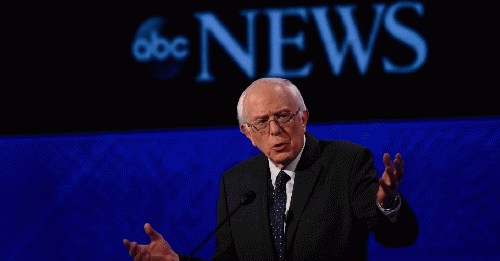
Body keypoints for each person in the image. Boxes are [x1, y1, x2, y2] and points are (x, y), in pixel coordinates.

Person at [123, 78, 418, 260]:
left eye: (284, 116)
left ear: (304, 119)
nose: (275, 130)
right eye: (261, 122)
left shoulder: (346, 161)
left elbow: (400, 238)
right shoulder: (236, 182)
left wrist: (387, 203)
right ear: (247, 133)